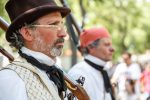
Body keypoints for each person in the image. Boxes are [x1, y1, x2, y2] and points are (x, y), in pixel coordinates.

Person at [0, 0, 71, 100]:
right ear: (28, 33)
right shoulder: (10, 79)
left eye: (62, 25)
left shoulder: (56, 72)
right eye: (53, 25)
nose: (63, 33)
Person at [68, 27, 115, 100]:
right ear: (91, 47)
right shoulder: (79, 73)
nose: (112, 49)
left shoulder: (103, 70)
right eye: (106, 44)